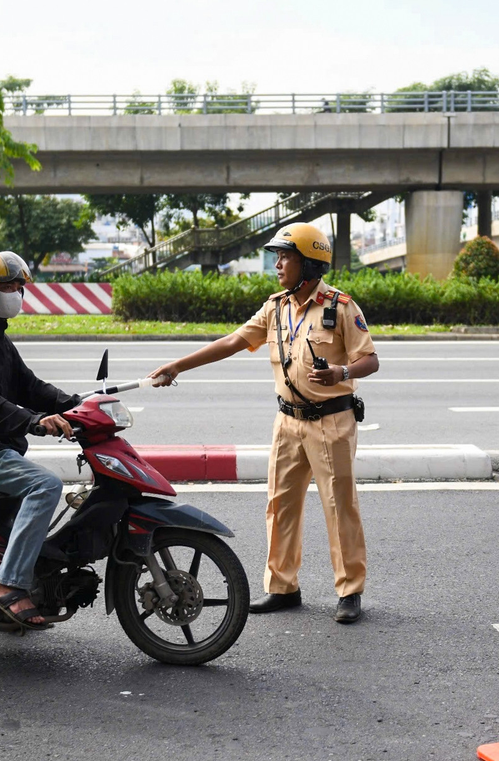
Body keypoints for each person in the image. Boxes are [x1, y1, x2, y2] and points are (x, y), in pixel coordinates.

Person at [149, 223, 379, 624]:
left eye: (286, 257)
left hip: (331, 421)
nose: (278, 265)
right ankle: (282, 587)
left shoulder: (341, 307)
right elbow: (233, 341)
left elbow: (370, 360)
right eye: (278, 257)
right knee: (280, 505)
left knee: (339, 506)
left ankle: (349, 591)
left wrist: (340, 372)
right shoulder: (276, 307)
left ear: (309, 263)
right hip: (288, 422)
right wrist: (178, 365)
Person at [0, 251, 79, 629]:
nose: (15, 294)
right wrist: (33, 421)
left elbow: (29, 386)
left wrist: (77, 405)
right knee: (45, 486)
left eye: (18, 287)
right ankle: (6, 585)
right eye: (7, 287)